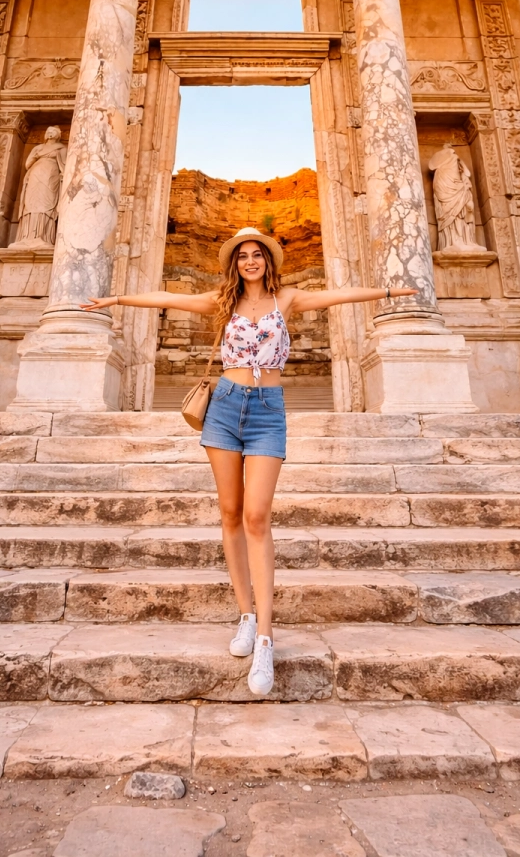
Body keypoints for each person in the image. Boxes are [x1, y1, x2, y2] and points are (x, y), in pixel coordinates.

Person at [81, 226, 417, 697]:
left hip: (267, 412)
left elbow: (338, 296)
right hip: (223, 406)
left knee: (258, 516)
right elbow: (169, 298)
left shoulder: (289, 299)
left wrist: (388, 290)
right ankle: (245, 615)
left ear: (268, 261)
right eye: (243, 257)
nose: (251, 262)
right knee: (231, 513)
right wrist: (116, 301)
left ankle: (265, 638)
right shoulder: (222, 302)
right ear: (234, 265)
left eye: (257, 255)